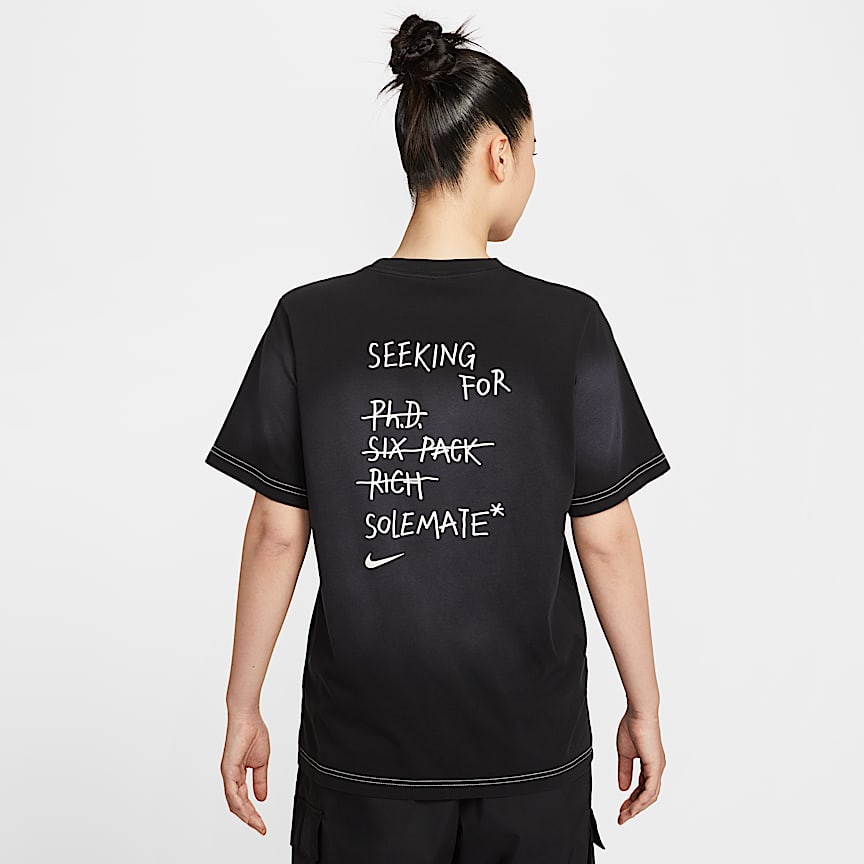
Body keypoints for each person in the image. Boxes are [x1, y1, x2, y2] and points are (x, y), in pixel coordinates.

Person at [204, 13, 671, 863]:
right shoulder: (568, 326)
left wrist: (242, 706)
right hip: (530, 749)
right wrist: (646, 705)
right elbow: (606, 538)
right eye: (534, 153)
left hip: (364, 751)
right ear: (499, 154)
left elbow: (276, 530)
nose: (533, 174)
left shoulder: (310, 320)